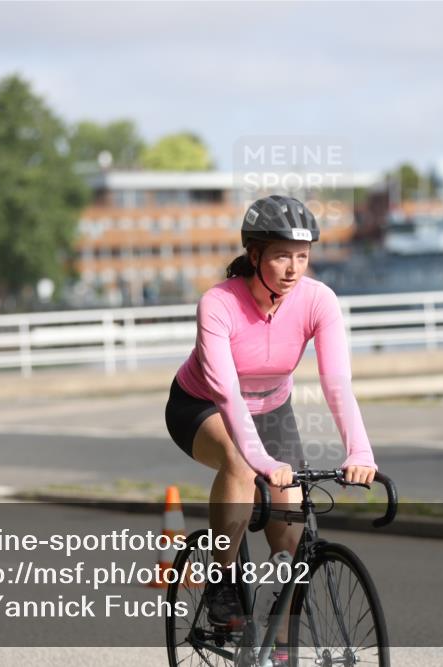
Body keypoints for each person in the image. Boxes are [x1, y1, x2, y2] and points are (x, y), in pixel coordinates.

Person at [164, 195, 378, 657]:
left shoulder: (319, 300)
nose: (293, 268)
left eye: (302, 256)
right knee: (240, 464)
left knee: (290, 535)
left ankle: (276, 649)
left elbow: (336, 384)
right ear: (255, 254)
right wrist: (261, 462)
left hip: (272, 410)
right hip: (202, 406)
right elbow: (227, 396)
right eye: (282, 255)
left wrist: (360, 452)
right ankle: (221, 582)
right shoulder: (219, 304)